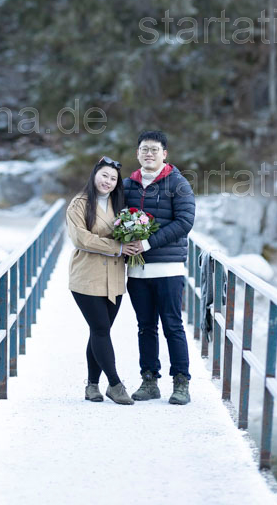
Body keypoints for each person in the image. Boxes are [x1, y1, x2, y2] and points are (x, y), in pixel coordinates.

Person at [123, 131, 195, 405]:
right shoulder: (128, 184)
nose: (149, 154)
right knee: (145, 327)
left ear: (164, 154)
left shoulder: (178, 183)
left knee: (172, 326)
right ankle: (149, 380)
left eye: (154, 149)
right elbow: (114, 217)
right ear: (137, 153)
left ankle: (181, 383)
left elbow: (185, 222)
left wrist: (147, 243)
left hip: (168, 270)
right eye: (144, 149)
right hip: (137, 272)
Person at [66, 156, 143, 405]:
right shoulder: (79, 204)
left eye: (113, 178)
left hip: (115, 278)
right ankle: (115, 384)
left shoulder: (118, 204)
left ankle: (91, 386)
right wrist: (117, 247)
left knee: (100, 331)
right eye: (104, 175)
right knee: (100, 329)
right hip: (87, 277)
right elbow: (81, 239)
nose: (108, 181)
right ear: (94, 175)